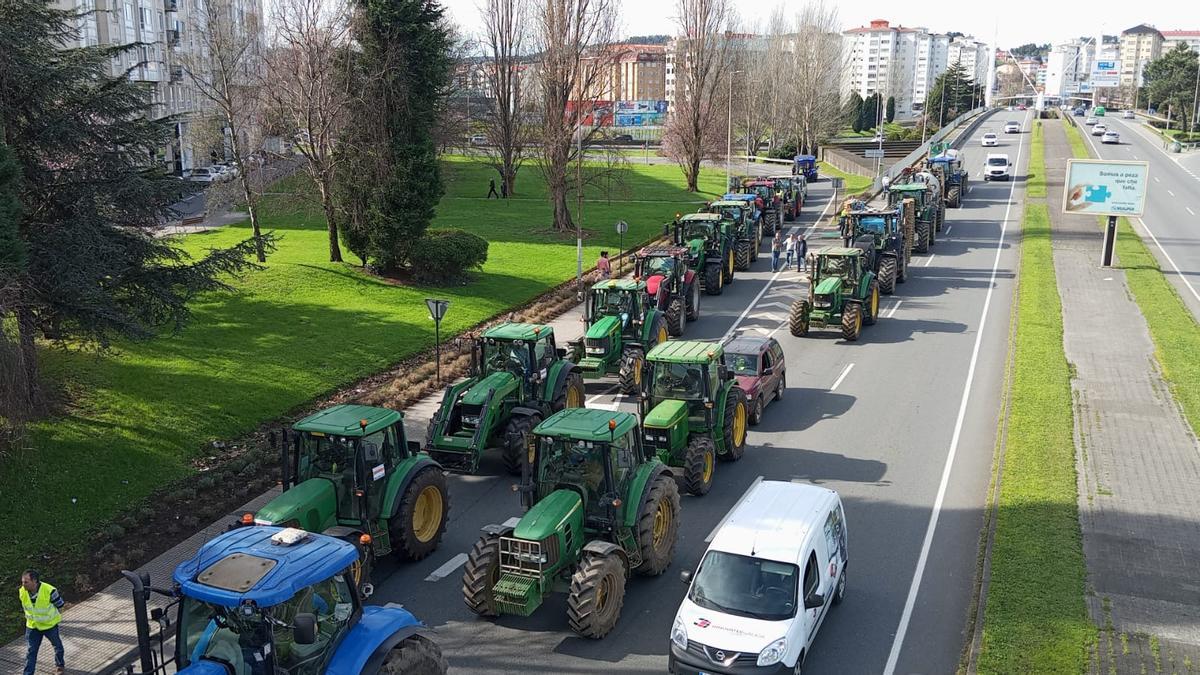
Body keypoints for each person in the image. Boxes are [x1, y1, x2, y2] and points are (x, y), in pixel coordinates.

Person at [20, 570, 65, 675]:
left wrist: (53, 618)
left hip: (49, 626)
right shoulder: (22, 591)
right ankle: (28, 673)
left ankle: (60, 666)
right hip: (32, 626)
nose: (23, 584)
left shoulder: (50, 591)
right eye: (22, 582)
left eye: (26, 582)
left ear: (34, 581)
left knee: (57, 646)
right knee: (31, 651)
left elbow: (60, 605)